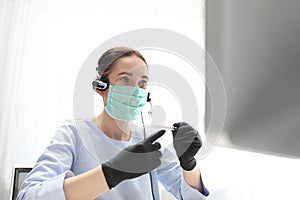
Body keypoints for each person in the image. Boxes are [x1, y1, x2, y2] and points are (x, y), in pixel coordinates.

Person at [17, 47, 209, 200]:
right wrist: (111, 173)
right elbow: (29, 196)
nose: (135, 90)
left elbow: (190, 197)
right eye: (125, 79)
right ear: (101, 87)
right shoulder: (74, 133)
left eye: (142, 83)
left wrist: (189, 164)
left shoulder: (149, 140)